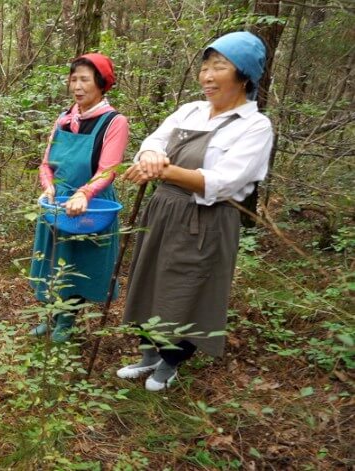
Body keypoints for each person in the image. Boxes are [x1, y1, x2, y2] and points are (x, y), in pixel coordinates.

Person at [120, 31, 273, 391]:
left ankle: (171, 362)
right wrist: (151, 155)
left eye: (219, 67)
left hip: (205, 219)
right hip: (164, 210)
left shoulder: (254, 126)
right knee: (150, 281)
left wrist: (164, 170)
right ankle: (149, 355)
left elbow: (224, 182)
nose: (207, 76)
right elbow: (154, 140)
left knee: (187, 289)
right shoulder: (190, 110)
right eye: (205, 67)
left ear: (244, 75)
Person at [29, 53, 129, 343]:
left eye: (85, 79)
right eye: (74, 79)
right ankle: (52, 315)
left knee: (80, 262)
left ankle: (68, 320)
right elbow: (46, 163)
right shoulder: (63, 119)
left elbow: (108, 170)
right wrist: (48, 186)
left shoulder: (114, 122)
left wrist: (84, 193)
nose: (77, 86)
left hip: (91, 205)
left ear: (101, 83)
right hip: (57, 202)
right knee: (53, 259)